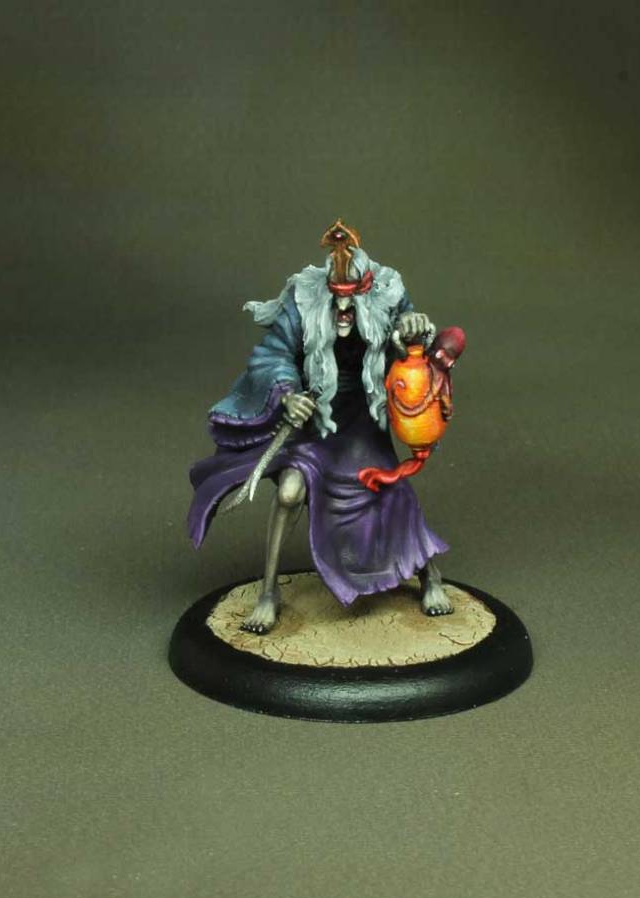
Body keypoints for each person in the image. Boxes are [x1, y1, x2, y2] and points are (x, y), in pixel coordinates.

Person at [187, 221, 452, 633]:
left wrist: (414, 329)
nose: (343, 313)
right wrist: (288, 394)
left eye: (351, 303)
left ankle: (430, 575)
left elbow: (413, 344)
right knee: (290, 493)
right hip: (316, 417)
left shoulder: (388, 294)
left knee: (388, 488)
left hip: (363, 418)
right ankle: (268, 593)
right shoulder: (304, 299)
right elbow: (272, 354)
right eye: (337, 302)